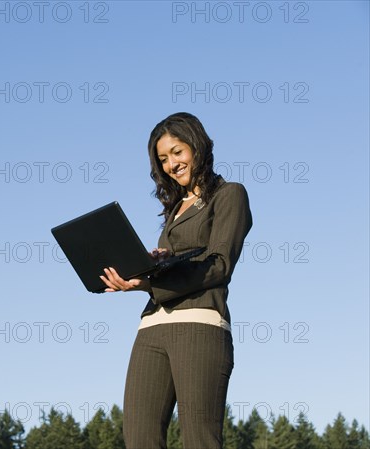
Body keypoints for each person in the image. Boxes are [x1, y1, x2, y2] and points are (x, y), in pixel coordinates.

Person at [99, 112, 253, 449]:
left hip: (199, 325)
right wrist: (151, 268)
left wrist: (151, 284)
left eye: (177, 152)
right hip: (152, 327)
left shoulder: (230, 195)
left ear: (197, 146)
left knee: (199, 440)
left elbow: (219, 265)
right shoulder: (175, 209)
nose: (171, 164)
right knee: (139, 439)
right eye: (163, 159)